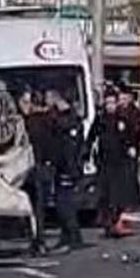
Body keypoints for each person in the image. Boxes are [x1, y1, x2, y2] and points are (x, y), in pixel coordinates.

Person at [88, 87, 139, 238]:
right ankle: (107, 223)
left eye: (113, 103)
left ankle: (117, 221)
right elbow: (92, 136)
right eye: (108, 103)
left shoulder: (122, 119)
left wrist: (131, 148)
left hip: (120, 162)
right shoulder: (101, 119)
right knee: (105, 194)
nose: (110, 106)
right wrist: (86, 153)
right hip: (104, 161)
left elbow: (131, 136)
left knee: (118, 194)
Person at [44, 89, 84, 251]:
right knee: (61, 204)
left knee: (66, 204)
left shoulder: (70, 119)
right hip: (60, 166)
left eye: (48, 98)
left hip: (69, 167)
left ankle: (73, 238)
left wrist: (72, 167)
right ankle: (65, 236)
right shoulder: (58, 117)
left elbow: (72, 147)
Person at [18, 89, 54, 253]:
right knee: (39, 206)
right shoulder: (49, 119)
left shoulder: (32, 122)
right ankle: (38, 239)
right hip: (44, 166)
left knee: (35, 206)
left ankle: (37, 240)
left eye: (25, 103)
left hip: (35, 167)